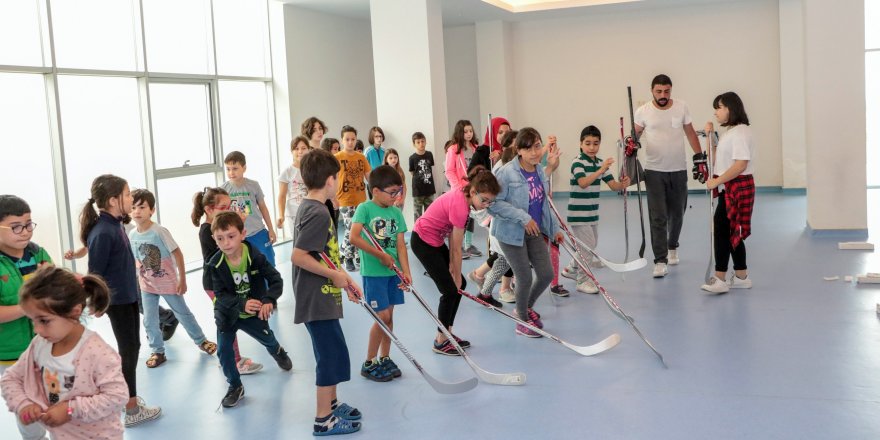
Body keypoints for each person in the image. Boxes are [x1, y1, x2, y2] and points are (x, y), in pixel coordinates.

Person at [1, 266, 128, 439]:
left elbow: (116, 396)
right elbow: (11, 378)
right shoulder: (40, 344)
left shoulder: (98, 352)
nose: (37, 329)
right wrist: (23, 404)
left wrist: (70, 409)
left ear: (75, 311)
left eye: (44, 321)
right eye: (33, 321)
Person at [79, 174, 161, 426]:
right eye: (127, 195)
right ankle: (132, 408)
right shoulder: (104, 231)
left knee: (131, 347)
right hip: (118, 301)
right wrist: (97, 302)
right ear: (114, 200)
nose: (131, 198)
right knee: (129, 350)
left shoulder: (115, 224)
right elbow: (95, 273)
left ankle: (129, 400)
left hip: (127, 296)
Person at [291, 149, 363, 435]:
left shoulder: (312, 207)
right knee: (330, 355)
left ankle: (331, 404)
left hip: (323, 292)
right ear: (331, 180)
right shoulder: (318, 212)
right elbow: (298, 255)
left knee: (335, 351)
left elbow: (324, 255)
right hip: (316, 297)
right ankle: (323, 419)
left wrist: (345, 279)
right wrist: (336, 275)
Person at [206, 212, 292, 409]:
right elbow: (220, 294)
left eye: (231, 236)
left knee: (267, 338)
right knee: (224, 351)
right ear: (214, 240)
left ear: (243, 234)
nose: (226, 243)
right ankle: (235, 386)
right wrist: (241, 303)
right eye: (220, 238)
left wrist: (269, 300)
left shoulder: (255, 256)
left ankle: (277, 351)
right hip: (227, 314)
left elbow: (276, 279)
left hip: (253, 314)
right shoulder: (215, 264)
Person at [411, 167, 499, 355]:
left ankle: (447, 332)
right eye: (484, 200)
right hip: (423, 242)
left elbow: (452, 236)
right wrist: (455, 274)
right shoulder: (461, 205)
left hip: (434, 240)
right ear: (473, 192)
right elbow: (458, 248)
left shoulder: (465, 196)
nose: (485, 205)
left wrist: (453, 268)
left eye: (490, 202)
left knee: (460, 284)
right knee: (451, 290)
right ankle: (441, 341)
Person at [127, 189, 216, 368]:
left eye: (142, 207)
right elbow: (136, 260)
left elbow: (178, 254)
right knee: (149, 320)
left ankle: (201, 341)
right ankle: (157, 351)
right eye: (133, 207)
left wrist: (182, 280)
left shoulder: (159, 231)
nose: (137, 211)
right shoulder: (132, 235)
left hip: (168, 283)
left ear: (152, 210)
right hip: (147, 285)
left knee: (183, 314)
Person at [488, 128, 563, 338]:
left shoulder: (538, 170)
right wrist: (523, 218)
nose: (534, 152)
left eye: (538, 146)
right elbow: (493, 205)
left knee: (547, 274)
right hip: (511, 234)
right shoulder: (506, 173)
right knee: (524, 277)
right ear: (519, 150)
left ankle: (524, 307)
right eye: (528, 148)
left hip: (534, 231)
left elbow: (544, 204)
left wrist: (555, 229)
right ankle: (521, 321)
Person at [634, 74, 703, 278]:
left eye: (666, 91)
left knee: (678, 213)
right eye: (658, 91)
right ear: (652, 91)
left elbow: (690, 133)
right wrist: (630, 142)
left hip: (678, 170)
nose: (663, 95)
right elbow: (634, 135)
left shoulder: (682, 107)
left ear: (671, 90)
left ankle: (673, 245)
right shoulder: (643, 111)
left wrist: (699, 156)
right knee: (658, 216)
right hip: (654, 171)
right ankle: (660, 260)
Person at [192, 187, 263, 375]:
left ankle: (231, 358)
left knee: (229, 319)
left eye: (229, 206)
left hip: (223, 283)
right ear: (209, 209)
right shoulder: (207, 231)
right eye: (223, 208)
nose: (229, 211)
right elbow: (218, 257)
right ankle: (233, 361)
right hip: (214, 284)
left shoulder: (216, 228)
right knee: (227, 320)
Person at [349, 165, 410, 382]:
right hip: (374, 273)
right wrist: (380, 255)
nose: (396, 197)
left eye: (398, 191)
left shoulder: (395, 212)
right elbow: (354, 237)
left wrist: (406, 272)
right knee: (381, 317)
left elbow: (401, 246)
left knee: (390, 317)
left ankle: (385, 357)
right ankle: (369, 362)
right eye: (392, 192)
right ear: (375, 190)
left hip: (393, 273)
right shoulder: (364, 209)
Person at [561, 126, 631, 294]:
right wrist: (601, 170)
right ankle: (582, 280)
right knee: (588, 246)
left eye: (596, 143)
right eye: (588, 143)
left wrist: (623, 184)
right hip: (578, 214)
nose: (592, 147)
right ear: (581, 144)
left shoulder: (600, 163)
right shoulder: (577, 162)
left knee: (591, 244)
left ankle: (571, 269)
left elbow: (613, 185)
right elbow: (583, 183)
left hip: (592, 213)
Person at [700, 92, 755, 294]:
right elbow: (716, 157)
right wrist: (709, 136)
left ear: (730, 109)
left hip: (737, 187)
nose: (716, 112)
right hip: (730, 186)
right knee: (733, 231)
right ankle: (741, 276)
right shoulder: (731, 132)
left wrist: (716, 181)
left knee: (722, 231)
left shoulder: (740, 133)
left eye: (719, 107)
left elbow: (741, 164)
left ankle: (720, 278)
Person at [0, 195, 52, 365]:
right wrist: (29, 307)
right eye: (16, 227)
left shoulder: (39, 254)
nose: (25, 232)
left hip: (44, 345)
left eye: (28, 225)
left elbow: (56, 291)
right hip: (9, 355)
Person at [222, 151, 277, 267]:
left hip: (258, 232)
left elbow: (263, 207)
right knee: (246, 267)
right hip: (238, 236)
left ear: (244, 168)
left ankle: (271, 285)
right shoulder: (223, 189)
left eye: (235, 168)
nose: (231, 172)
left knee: (268, 263)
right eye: (228, 169)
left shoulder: (254, 185)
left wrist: (271, 229)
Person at [335, 125, 372, 272]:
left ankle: (354, 253)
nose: (350, 142)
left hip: (361, 199)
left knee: (361, 228)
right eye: (347, 139)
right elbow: (332, 178)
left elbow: (369, 176)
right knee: (351, 229)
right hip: (344, 199)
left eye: (353, 139)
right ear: (342, 140)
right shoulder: (337, 158)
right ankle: (347, 255)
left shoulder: (361, 157)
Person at [445, 120, 482, 258]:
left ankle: (468, 245)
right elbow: (449, 171)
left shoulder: (476, 148)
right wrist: (458, 187)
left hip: (474, 189)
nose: (469, 134)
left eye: (470, 131)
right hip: (460, 190)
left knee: (471, 217)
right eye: (465, 131)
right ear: (460, 132)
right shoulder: (453, 149)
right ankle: (458, 247)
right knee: (460, 218)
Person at [277, 136, 311, 239]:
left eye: (303, 148)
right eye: (296, 148)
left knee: (311, 241)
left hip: (310, 212)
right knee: (298, 242)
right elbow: (282, 196)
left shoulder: (312, 169)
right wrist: (281, 215)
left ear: (308, 150)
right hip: (293, 214)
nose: (300, 151)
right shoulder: (287, 171)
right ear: (292, 151)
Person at [408, 132, 436, 223]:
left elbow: (430, 167)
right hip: (418, 190)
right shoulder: (412, 158)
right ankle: (417, 232)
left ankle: (429, 230)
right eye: (418, 142)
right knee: (417, 213)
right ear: (414, 144)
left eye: (423, 141)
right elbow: (412, 172)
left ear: (426, 142)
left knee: (430, 212)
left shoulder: (429, 154)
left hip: (429, 189)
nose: (421, 144)